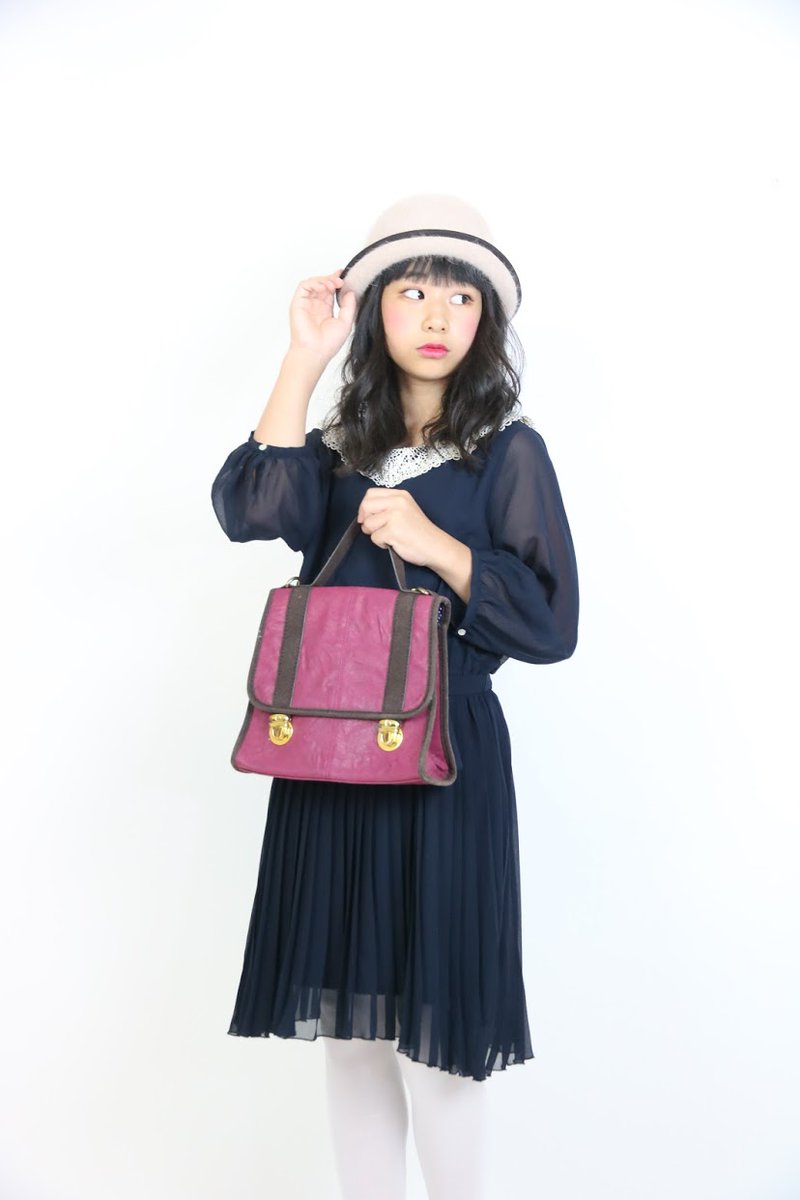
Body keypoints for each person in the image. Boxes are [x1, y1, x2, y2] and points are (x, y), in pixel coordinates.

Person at [211, 194, 580, 1200]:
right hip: (328, 749)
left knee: (440, 1041)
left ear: (484, 320)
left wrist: (436, 546)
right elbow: (252, 508)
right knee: (351, 1034)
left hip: (443, 755)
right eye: (412, 292)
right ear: (375, 307)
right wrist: (304, 358)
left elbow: (552, 623)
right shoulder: (337, 447)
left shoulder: (507, 450)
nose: (435, 316)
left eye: (460, 298)